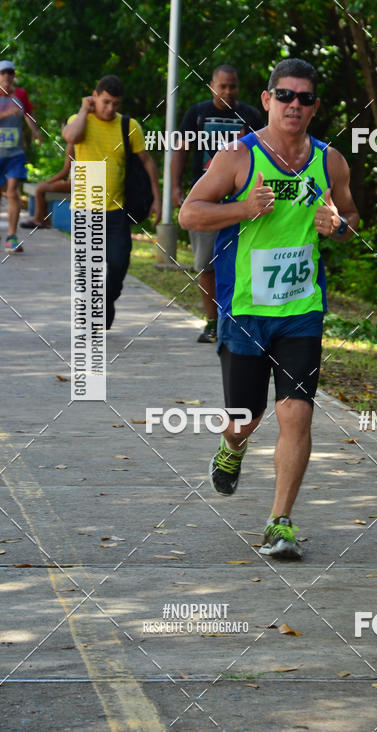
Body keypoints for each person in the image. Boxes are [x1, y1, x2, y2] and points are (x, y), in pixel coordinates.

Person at [179, 58, 359, 560]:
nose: (294, 105)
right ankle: (231, 448)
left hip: (302, 311)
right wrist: (243, 208)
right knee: (245, 418)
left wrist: (338, 225)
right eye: (285, 95)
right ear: (267, 99)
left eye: (304, 98)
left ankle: (280, 523)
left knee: (297, 414)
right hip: (245, 311)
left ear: (315, 106)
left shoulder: (330, 161)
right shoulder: (238, 156)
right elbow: (189, 213)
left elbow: (350, 217)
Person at [172, 64, 263, 343]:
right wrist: (175, 187)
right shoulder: (197, 114)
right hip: (206, 200)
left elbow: (266, 154)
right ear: (212, 86)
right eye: (222, 86)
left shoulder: (251, 116)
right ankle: (212, 322)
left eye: (232, 86)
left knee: (244, 261)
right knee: (206, 263)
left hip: (243, 200)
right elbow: (181, 151)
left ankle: (241, 320)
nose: (228, 91)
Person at [62, 75, 161, 329]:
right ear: (94, 96)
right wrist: (84, 110)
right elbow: (71, 137)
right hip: (85, 209)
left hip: (117, 210)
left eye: (115, 104)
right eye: (105, 102)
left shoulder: (128, 126)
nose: (110, 109)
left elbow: (147, 162)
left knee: (119, 263)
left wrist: (157, 199)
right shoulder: (79, 121)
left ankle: (106, 300)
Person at [0, 62, 43, 252]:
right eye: (3, 73)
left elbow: (28, 114)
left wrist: (35, 131)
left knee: (12, 191)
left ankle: (11, 237)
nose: (7, 76)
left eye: (10, 73)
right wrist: (6, 114)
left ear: (14, 76)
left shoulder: (21, 94)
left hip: (15, 153)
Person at [20, 143, 74, 229]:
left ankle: (39, 220)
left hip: (75, 183)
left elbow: (65, 171)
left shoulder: (72, 145)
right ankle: (43, 219)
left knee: (40, 188)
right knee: (42, 187)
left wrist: (47, 182)